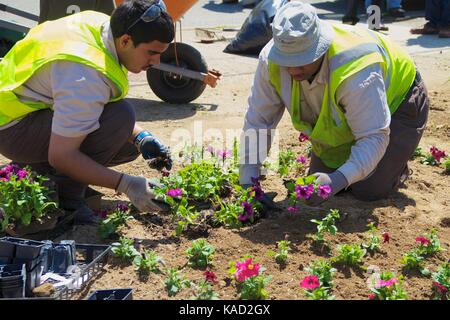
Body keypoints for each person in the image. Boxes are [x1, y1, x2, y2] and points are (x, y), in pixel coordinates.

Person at [0, 0, 174, 224]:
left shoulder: (103, 25)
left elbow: (92, 104)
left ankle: (38, 171)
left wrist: (141, 137)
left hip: (24, 110)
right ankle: (66, 199)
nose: (156, 61)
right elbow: (61, 156)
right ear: (126, 41)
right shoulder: (84, 75)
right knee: (120, 118)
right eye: (151, 52)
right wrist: (127, 184)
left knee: (126, 142)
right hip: (12, 129)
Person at [239, 1, 429, 205]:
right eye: (287, 61)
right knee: (321, 182)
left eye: (302, 60)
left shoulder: (355, 68)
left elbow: (373, 136)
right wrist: (249, 183)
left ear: (320, 48)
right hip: (356, 110)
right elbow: (258, 121)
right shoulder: (271, 61)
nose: (293, 70)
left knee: (368, 189)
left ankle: (395, 166)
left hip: (399, 101)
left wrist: (337, 179)